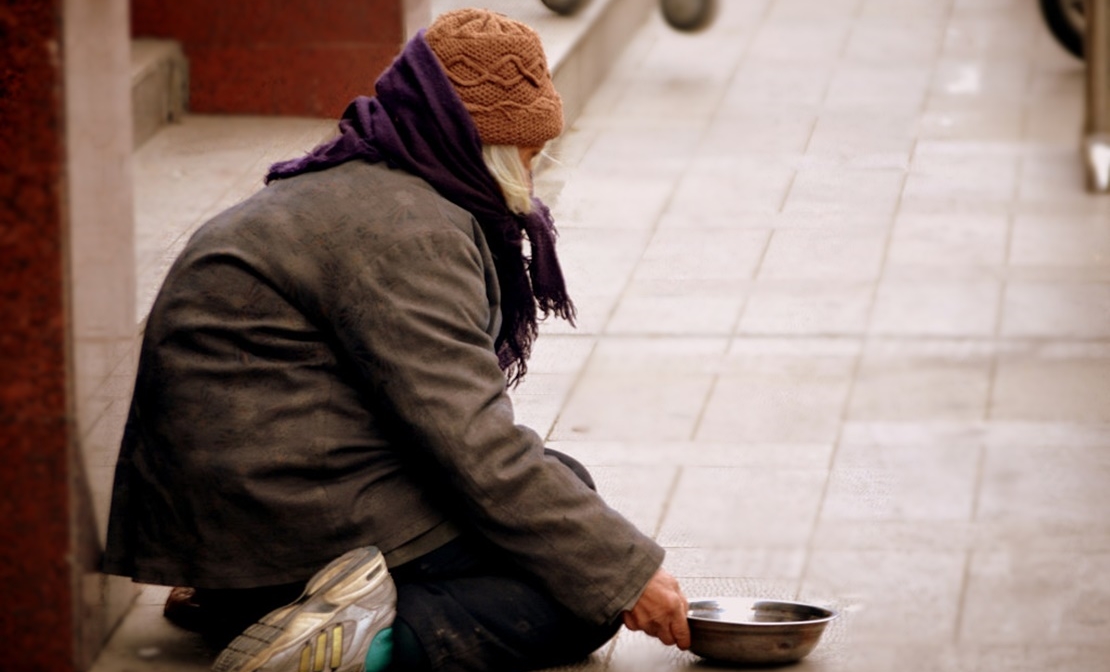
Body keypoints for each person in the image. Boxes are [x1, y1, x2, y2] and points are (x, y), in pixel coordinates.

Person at [102, 8, 690, 672]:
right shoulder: (408, 229)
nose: (531, 175)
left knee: (569, 497)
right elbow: (476, 448)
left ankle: (253, 605)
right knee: (581, 596)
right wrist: (624, 573)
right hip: (275, 515)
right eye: (525, 153)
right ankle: (351, 645)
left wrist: (601, 550)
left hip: (235, 515)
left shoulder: (369, 182)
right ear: (479, 144)